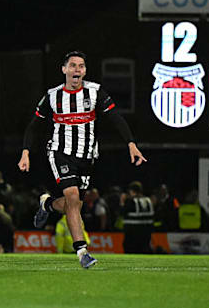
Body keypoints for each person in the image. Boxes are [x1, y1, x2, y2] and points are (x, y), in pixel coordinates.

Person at [18, 50, 146, 269]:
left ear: (85, 71)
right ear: (64, 69)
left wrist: (131, 143)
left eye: (81, 66)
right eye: (73, 65)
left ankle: (47, 204)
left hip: (87, 157)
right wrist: (25, 152)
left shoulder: (95, 92)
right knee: (72, 196)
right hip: (60, 152)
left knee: (74, 204)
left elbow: (116, 118)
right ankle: (82, 252)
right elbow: (34, 125)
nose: (77, 69)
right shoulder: (52, 96)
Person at [121, 181, 154, 254]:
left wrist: (122, 202)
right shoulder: (148, 200)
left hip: (132, 232)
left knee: (130, 249)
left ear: (132, 191)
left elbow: (122, 212)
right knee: (144, 250)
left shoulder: (132, 201)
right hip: (146, 231)